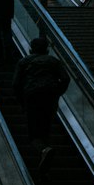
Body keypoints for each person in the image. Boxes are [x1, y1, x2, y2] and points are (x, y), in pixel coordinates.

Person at [13, 35, 70, 174]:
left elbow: (15, 84)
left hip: (32, 97)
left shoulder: (24, 62)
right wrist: (57, 92)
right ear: (47, 49)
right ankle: (45, 158)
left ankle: (44, 150)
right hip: (50, 98)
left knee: (33, 134)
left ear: (31, 48)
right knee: (45, 128)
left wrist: (22, 100)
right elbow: (65, 78)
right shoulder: (54, 62)